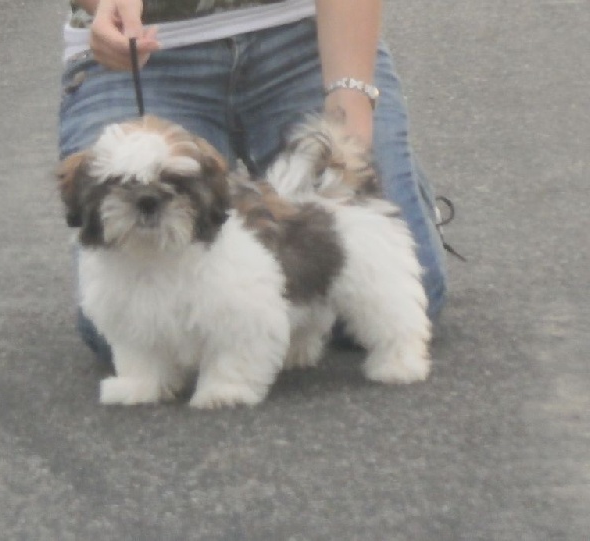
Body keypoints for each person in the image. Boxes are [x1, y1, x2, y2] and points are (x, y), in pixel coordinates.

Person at [59, 0, 449, 360]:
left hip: (302, 34)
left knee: (391, 291)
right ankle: (261, 210)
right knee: (132, 330)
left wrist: (351, 115)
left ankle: (397, 195)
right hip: (146, 51)